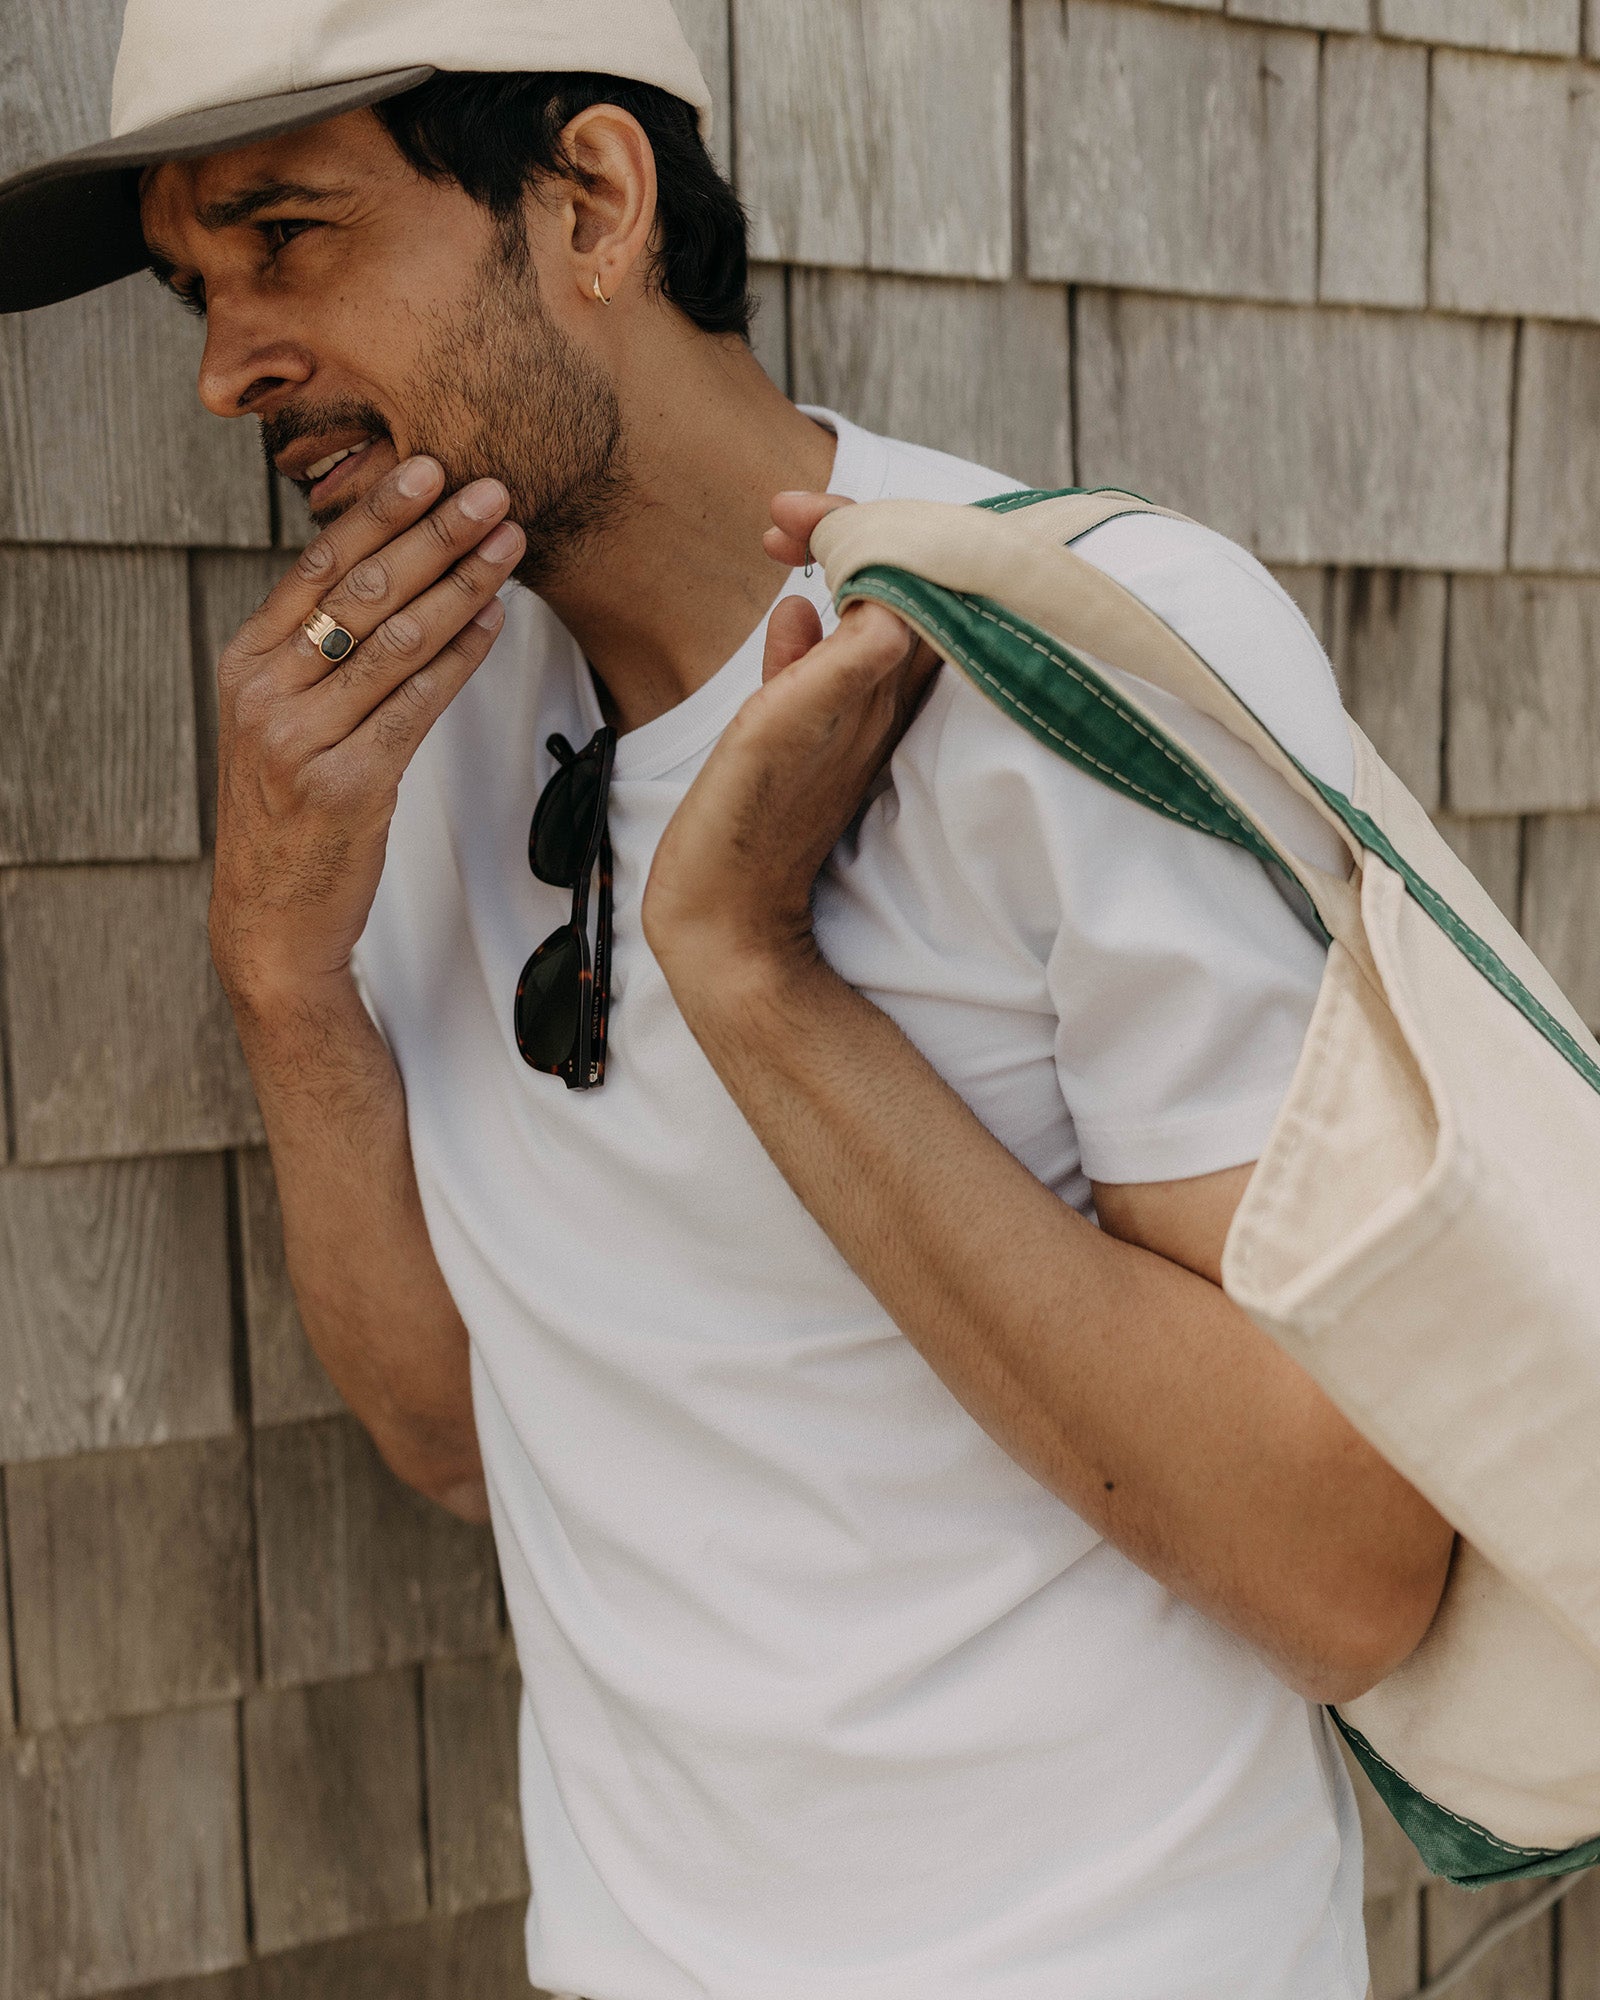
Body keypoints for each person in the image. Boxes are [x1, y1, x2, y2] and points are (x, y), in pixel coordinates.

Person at [0, 3, 1448, 1994]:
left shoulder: (1076, 654)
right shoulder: (407, 726)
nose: (221, 365)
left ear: (593, 200)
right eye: (194, 286)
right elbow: (459, 1438)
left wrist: (755, 981)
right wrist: (280, 972)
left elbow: (1351, 1573)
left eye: (286, 237)